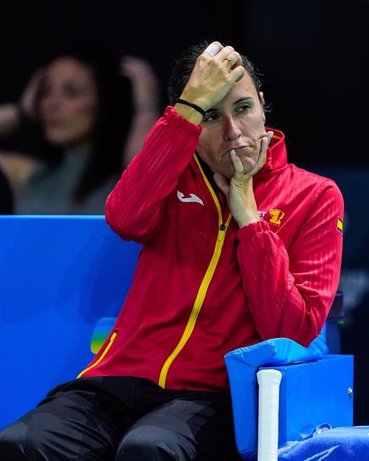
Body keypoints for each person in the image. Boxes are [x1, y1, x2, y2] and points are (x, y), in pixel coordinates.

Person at [0, 39, 345, 461]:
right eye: (212, 116)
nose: (234, 133)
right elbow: (124, 216)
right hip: (116, 381)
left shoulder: (315, 195)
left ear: (263, 105)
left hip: (214, 394)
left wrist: (251, 221)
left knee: (150, 449)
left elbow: (295, 328)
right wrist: (187, 108)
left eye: (243, 108)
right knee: (20, 443)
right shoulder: (171, 173)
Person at [0, 42, 160, 214]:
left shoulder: (126, 182)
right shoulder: (29, 175)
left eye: (71, 92)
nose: (52, 104)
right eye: (45, 91)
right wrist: (22, 111)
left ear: (104, 103)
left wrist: (145, 104)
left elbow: (150, 170)